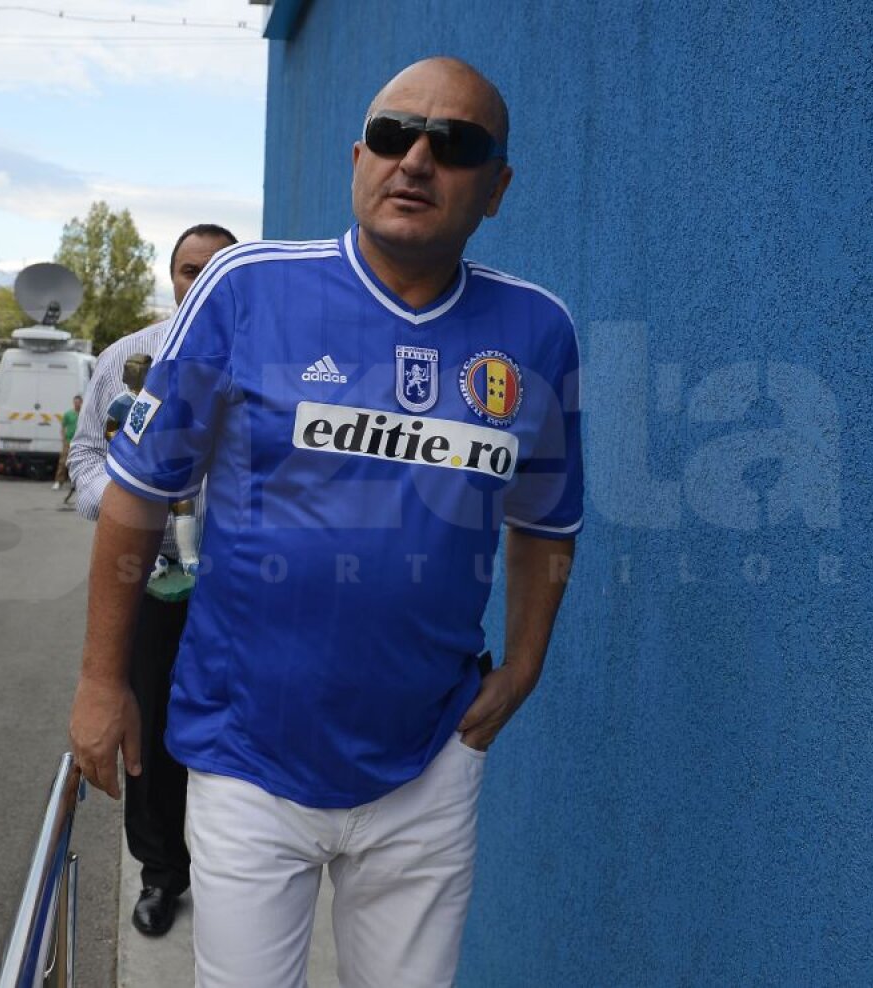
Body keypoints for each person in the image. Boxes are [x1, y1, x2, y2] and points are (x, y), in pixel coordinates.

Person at [69, 57, 584, 987]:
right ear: (359, 158)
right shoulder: (243, 290)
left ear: (497, 187)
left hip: (429, 758)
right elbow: (140, 491)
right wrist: (104, 681)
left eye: (455, 145)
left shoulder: (537, 332)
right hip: (245, 753)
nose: (416, 160)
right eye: (393, 135)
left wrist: (524, 668)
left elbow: (547, 522)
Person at [67, 223, 237, 937]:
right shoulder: (124, 360)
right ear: (170, 276)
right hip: (150, 579)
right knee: (153, 732)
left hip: (239, 584)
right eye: (186, 269)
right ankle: (162, 874)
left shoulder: (266, 363)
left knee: (235, 737)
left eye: (213, 270)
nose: (196, 282)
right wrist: (129, 506)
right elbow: (80, 459)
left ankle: (240, 877)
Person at [52, 394, 83, 492]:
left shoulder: (84, 414)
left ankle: (77, 483)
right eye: (75, 402)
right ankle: (58, 481)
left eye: (78, 402)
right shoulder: (68, 414)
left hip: (80, 442)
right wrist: (63, 438)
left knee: (79, 462)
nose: (76, 404)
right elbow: (63, 426)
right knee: (63, 462)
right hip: (69, 441)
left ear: (81, 403)